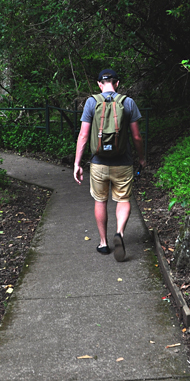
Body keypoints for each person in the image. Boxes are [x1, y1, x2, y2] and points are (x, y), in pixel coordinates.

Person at [74, 69, 145, 262]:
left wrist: (77, 163)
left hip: (98, 163)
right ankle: (119, 233)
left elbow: (83, 136)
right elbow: (137, 136)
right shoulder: (127, 102)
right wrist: (141, 158)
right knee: (123, 200)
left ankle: (104, 243)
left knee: (100, 200)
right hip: (123, 161)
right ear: (117, 83)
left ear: (99, 84)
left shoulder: (91, 102)